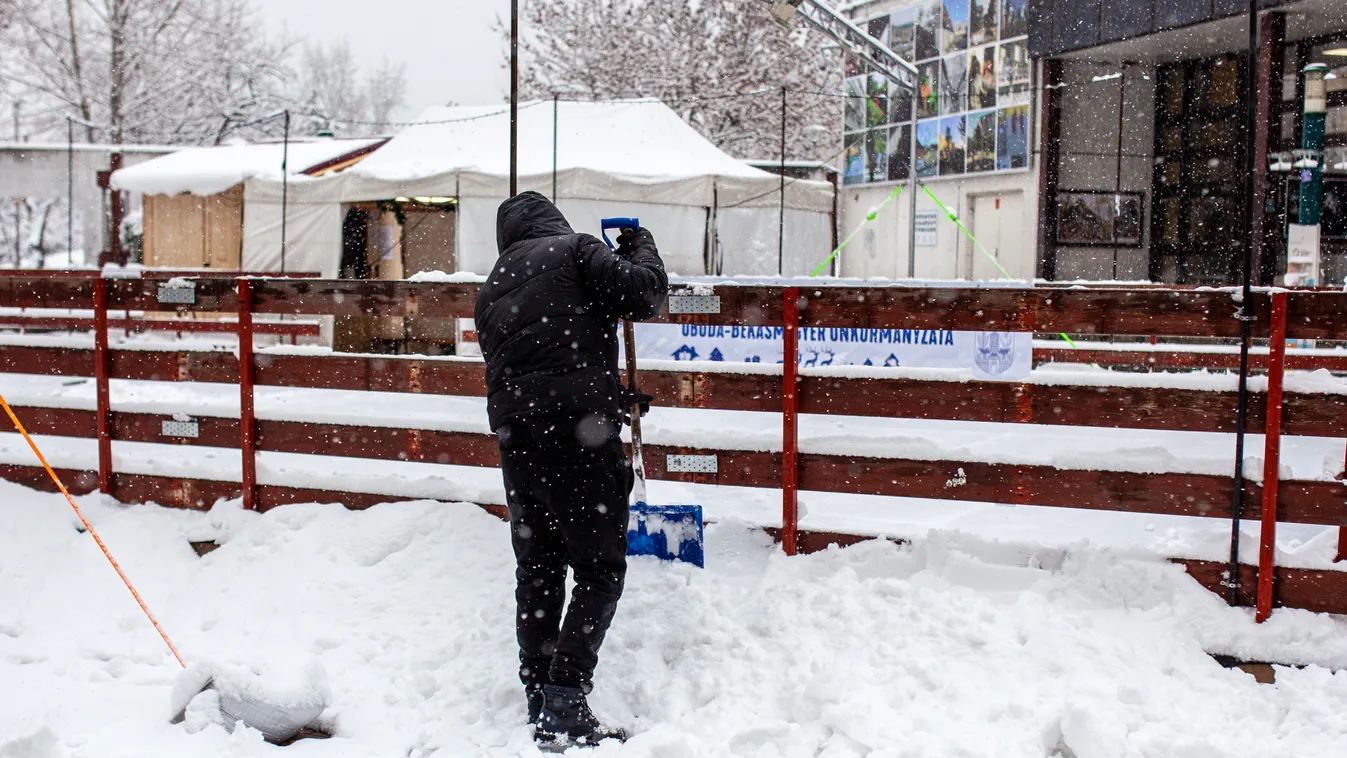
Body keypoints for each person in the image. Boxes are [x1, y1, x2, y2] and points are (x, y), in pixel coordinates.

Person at [474, 191, 668, 749]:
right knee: (599, 570)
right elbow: (645, 293)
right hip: (579, 438)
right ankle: (564, 698)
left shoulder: (491, 290)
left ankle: (538, 694)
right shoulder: (577, 250)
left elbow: (534, 364)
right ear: (552, 221)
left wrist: (612, 394)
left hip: (518, 444)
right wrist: (640, 246)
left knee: (538, 570)